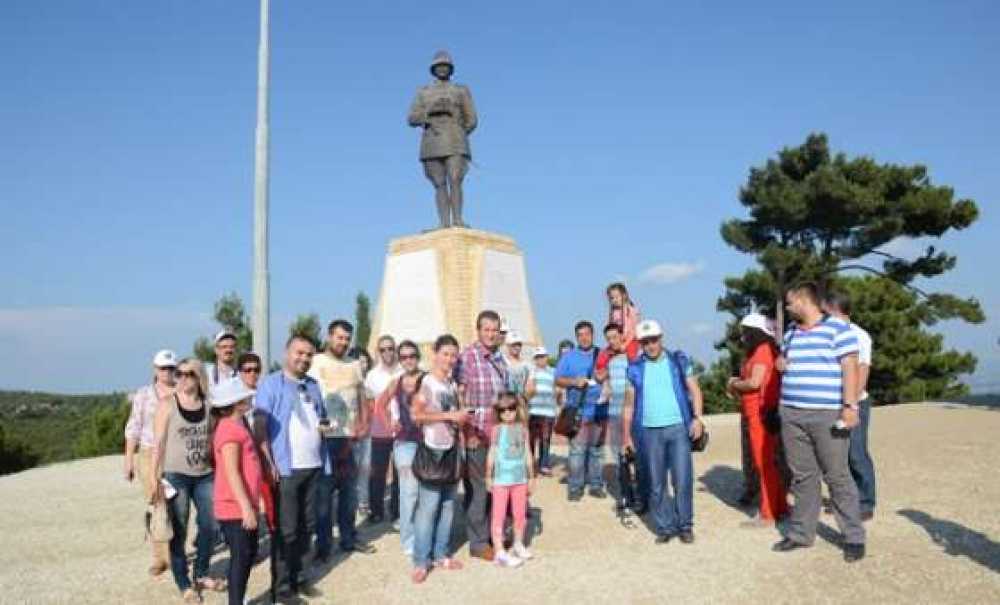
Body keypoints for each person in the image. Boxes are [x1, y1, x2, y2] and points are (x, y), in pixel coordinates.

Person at [772, 283, 866, 563]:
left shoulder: (838, 329)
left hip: (827, 413)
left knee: (837, 475)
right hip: (791, 413)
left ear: (803, 300)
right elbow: (783, 361)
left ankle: (853, 536)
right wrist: (780, 363)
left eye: (790, 303)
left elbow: (850, 367)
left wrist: (850, 406)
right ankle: (801, 533)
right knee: (803, 476)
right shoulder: (790, 333)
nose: (788, 308)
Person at [254, 336, 326, 598]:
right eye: (299, 353)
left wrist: (326, 427)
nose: (304, 358)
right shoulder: (271, 384)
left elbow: (321, 416)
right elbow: (260, 425)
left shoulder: (314, 385)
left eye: (309, 355)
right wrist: (268, 461)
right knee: (287, 530)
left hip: (314, 465)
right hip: (286, 469)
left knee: (308, 526)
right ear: (287, 352)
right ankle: (282, 587)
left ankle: (302, 577)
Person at [623, 320, 705, 544]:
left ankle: (685, 526)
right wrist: (626, 436)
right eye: (645, 342)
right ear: (640, 343)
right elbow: (629, 404)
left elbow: (695, 390)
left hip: (678, 428)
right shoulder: (634, 369)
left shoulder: (678, 360)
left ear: (661, 338)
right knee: (656, 483)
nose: (650, 345)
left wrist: (697, 418)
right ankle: (665, 527)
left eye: (654, 340)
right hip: (649, 432)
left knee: (682, 480)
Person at [150, 359, 223, 603]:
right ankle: (184, 583)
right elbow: (158, 444)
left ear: (199, 376)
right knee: (178, 530)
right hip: (175, 475)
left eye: (188, 374)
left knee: (210, 525)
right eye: (178, 374)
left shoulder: (209, 405)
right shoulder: (167, 405)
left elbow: (215, 439)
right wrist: (154, 477)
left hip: (205, 473)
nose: (182, 378)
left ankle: (201, 572)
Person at [308, 320, 376, 560]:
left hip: (350, 438)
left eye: (347, 338)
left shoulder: (354, 364)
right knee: (324, 497)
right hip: (325, 438)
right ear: (329, 337)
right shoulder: (315, 362)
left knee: (349, 495)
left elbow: (360, 395)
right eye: (339, 337)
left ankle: (348, 539)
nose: (343, 342)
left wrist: (364, 424)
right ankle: (323, 547)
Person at [410, 334, 469, 583]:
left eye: (454, 355)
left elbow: (456, 418)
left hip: (452, 449)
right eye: (445, 354)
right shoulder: (427, 383)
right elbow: (416, 415)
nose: (450, 359)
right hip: (433, 449)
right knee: (428, 508)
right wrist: (450, 416)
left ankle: (441, 554)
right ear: (435, 354)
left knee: (447, 507)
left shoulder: (452, 384)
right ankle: (421, 560)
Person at [455, 310, 510, 562]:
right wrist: (467, 433)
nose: (490, 334)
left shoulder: (500, 360)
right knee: (478, 488)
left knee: (494, 488)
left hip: (498, 435)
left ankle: (492, 533)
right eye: (486, 329)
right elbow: (461, 397)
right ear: (478, 330)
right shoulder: (467, 357)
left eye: (494, 329)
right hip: (476, 433)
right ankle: (477, 543)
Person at [727, 313, 787, 526]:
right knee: (769, 462)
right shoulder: (764, 349)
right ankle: (779, 507)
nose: (743, 336)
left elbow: (754, 383)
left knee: (764, 463)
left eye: (746, 332)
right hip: (762, 410)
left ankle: (768, 513)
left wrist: (734, 384)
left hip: (759, 412)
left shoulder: (761, 351)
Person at [822, 291, 877, 522]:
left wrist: (851, 404)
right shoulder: (829, 333)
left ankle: (865, 502)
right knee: (838, 456)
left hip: (855, 403)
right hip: (833, 402)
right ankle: (845, 500)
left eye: (825, 312)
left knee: (856, 453)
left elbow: (862, 370)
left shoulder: (859, 336)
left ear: (835, 311)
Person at [123, 348, 176, 576]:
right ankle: (159, 557)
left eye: (171, 368)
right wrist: (129, 460)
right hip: (147, 453)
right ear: (155, 369)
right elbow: (133, 426)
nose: (167, 372)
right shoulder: (144, 394)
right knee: (157, 503)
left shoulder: (180, 393)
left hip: (174, 455)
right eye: (163, 368)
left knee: (176, 506)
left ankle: (175, 553)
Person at [210, 378, 262, 605]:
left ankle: (237, 597)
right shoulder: (229, 430)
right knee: (242, 557)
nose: (250, 397)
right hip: (234, 507)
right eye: (245, 396)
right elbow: (232, 473)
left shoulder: (235, 426)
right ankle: (235, 601)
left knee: (247, 554)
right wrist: (245, 509)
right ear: (237, 403)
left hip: (241, 504)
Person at [594, 323, 645, 514]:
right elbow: (599, 378)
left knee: (637, 454)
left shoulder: (634, 357)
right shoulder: (609, 359)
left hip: (633, 413)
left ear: (622, 336)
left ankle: (641, 496)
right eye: (608, 339)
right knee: (619, 456)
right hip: (614, 413)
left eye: (614, 337)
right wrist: (601, 373)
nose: (611, 342)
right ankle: (626, 496)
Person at [555, 321, 608, 501]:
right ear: (577, 337)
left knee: (596, 451)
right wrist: (573, 382)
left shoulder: (602, 354)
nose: (584, 338)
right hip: (577, 412)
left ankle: (596, 485)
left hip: (599, 411)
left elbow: (611, 374)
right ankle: (575, 487)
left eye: (587, 334)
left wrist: (605, 377)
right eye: (580, 335)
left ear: (593, 335)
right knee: (577, 452)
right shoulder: (568, 357)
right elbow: (558, 379)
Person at [486, 391, 536, 568]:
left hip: (519, 479)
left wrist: (531, 476)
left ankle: (518, 543)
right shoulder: (496, 430)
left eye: (511, 408)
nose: (507, 412)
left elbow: (527, 454)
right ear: (498, 412)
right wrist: (488, 475)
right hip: (501, 480)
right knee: (498, 515)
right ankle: (499, 550)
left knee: (520, 514)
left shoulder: (523, 430)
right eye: (503, 409)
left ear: (517, 409)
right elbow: (492, 453)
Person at [386, 340, 425, 555]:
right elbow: (381, 404)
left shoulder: (427, 379)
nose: (408, 360)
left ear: (418, 356)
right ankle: (408, 540)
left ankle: (423, 533)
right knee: (408, 492)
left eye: (412, 356)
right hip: (404, 442)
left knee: (425, 492)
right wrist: (389, 422)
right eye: (404, 357)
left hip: (427, 441)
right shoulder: (397, 382)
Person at [364, 335, 404, 524]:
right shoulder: (372, 376)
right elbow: (370, 404)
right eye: (383, 349)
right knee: (377, 472)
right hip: (380, 429)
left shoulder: (404, 371)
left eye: (390, 348)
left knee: (400, 472)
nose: (387, 352)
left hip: (402, 429)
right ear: (378, 352)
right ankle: (376, 510)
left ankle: (396, 510)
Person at [348, 345, 375, 520]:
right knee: (350, 471)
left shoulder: (368, 385)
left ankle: (363, 504)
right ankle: (350, 504)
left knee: (364, 470)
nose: (362, 365)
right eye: (359, 361)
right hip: (350, 435)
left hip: (366, 434)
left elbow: (372, 410)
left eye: (365, 361)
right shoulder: (347, 384)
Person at [524, 346, 557, 476]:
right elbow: (527, 390)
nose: (540, 360)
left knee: (545, 439)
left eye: (542, 357)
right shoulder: (531, 372)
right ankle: (530, 463)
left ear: (546, 357)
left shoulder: (553, 372)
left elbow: (557, 389)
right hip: (533, 410)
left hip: (548, 411)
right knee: (531, 439)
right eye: (537, 357)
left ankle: (544, 464)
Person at [606, 283, 642, 361]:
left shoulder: (631, 310)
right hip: (616, 341)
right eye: (612, 298)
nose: (614, 300)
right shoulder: (612, 313)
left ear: (624, 296)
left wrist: (625, 344)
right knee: (604, 355)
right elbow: (609, 329)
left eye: (617, 297)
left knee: (631, 356)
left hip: (631, 340)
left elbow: (634, 330)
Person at [504, 330, 531, 398]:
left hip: (522, 401)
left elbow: (529, 385)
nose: (516, 347)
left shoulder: (527, 365)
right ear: (508, 345)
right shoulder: (502, 362)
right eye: (513, 345)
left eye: (518, 344)